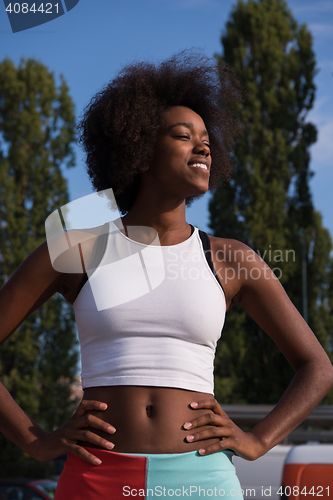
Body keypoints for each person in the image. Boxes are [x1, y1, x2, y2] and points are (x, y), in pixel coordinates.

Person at [0, 52, 332, 500]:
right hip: (98, 478)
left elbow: (318, 367)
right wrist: (35, 440)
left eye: (207, 139)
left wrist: (258, 440)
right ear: (139, 150)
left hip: (203, 480)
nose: (203, 146)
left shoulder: (232, 259)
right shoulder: (76, 248)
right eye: (183, 135)